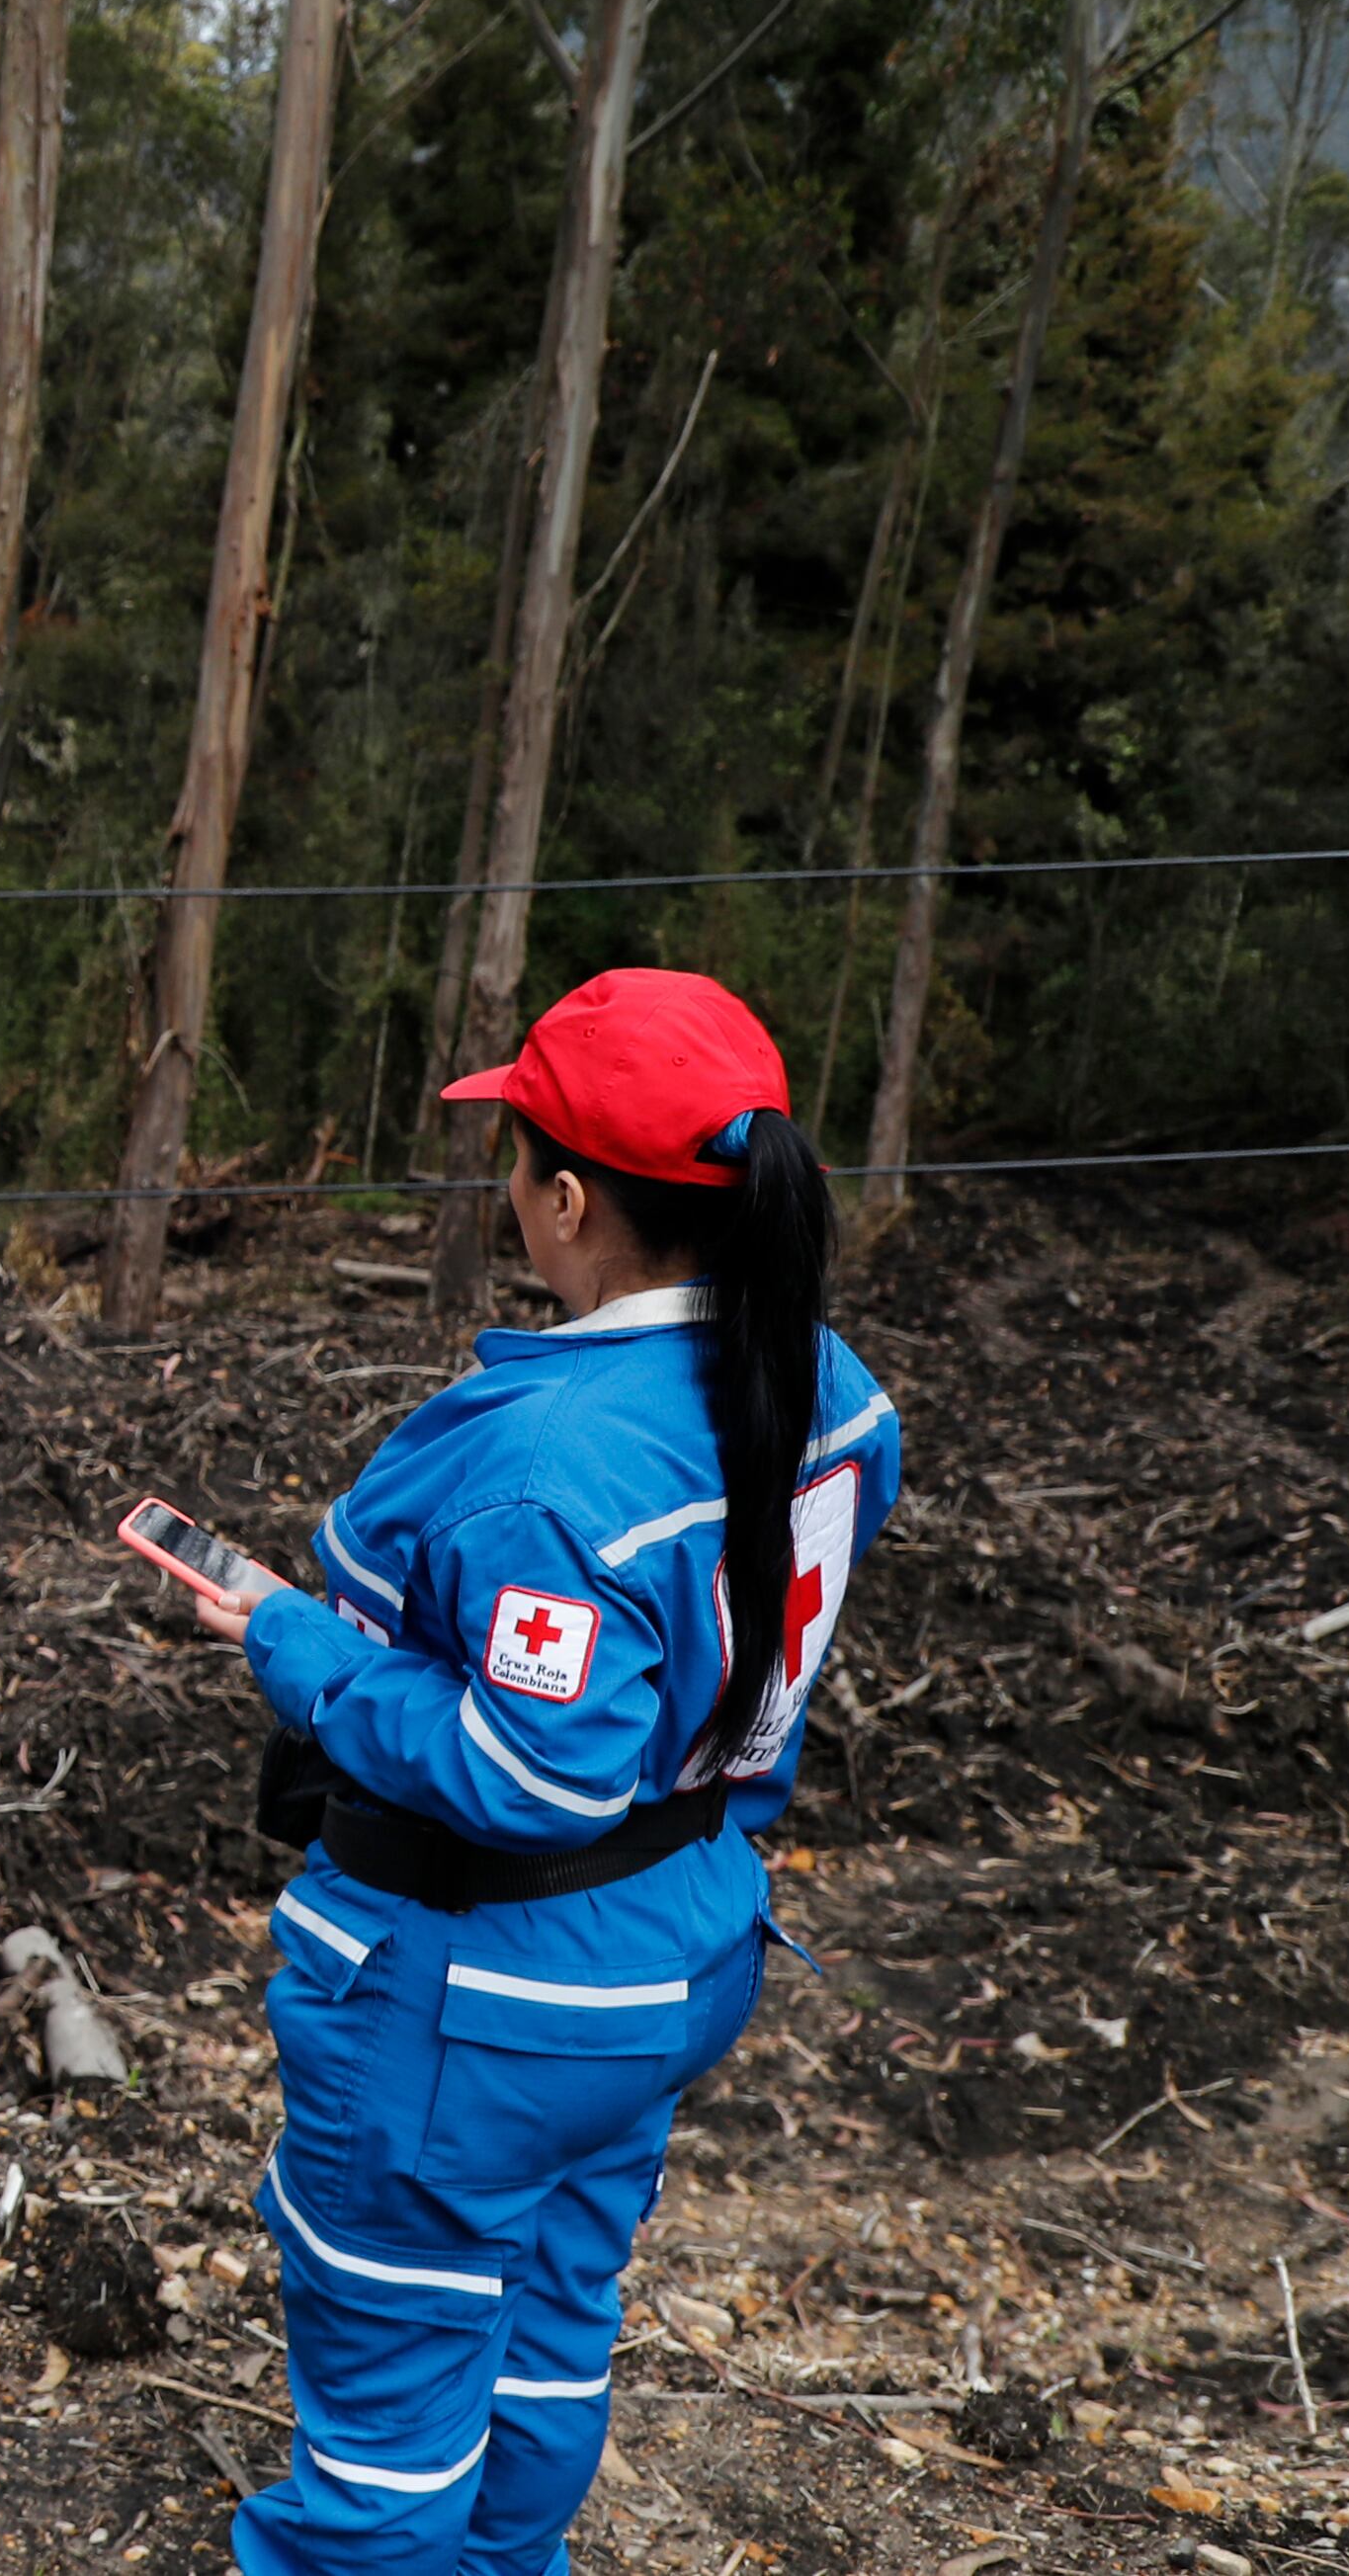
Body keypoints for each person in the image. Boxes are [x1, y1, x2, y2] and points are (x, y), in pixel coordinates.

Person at [194, 968, 898, 2574]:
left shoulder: (536, 1462)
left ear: (568, 1201)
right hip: (677, 1944)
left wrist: (295, 1644)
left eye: (516, 1159)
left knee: (388, 2407)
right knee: (551, 2323)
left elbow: (530, 1770)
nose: (509, 1187)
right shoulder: (827, 1384)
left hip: (484, 2007)